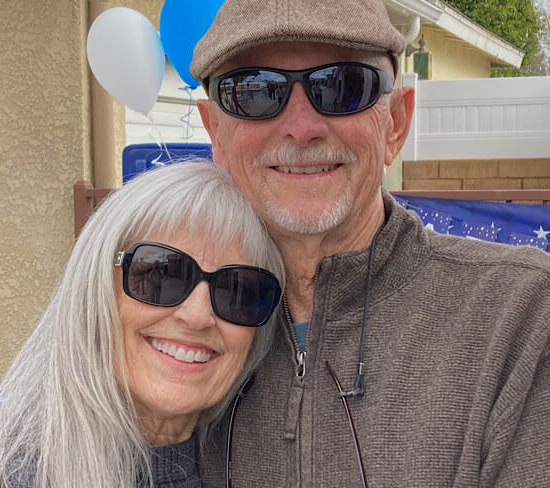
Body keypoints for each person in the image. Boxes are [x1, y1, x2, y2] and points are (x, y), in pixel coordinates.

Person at [191, 0, 550, 487]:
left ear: (396, 123)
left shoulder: (522, 316)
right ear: (215, 131)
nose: (302, 128)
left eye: (342, 87)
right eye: (255, 92)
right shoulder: (170, 318)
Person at [0, 161, 284, 488]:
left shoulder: (262, 466)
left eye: (239, 290)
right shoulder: (9, 475)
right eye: (160, 273)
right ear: (94, 291)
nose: (198, 316)